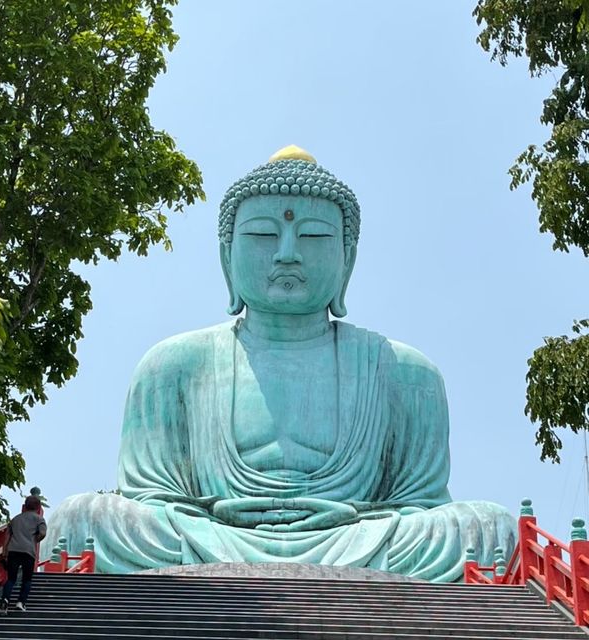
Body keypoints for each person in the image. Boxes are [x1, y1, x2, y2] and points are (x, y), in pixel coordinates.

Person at [43, 145, 516, 580]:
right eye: (264, 234)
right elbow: (154, 499)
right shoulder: (172, 365)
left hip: (362, 540)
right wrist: (204, 524)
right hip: (207, 537)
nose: (287, 254)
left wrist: (370, 524)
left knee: (488, 528)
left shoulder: (406, 373)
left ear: (346, 259)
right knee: (82, 519)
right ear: (227, 257)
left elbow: (418, 506)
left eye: (312, 235)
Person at [0, 495, 47, 614]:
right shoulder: (39, 519)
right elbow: (43, 533)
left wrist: (4, 553)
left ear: (25, 506)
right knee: (27, 579)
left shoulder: (15, 519)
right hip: (28, 551)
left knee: (11, 578)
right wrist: (35, 539)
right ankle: (21, 602)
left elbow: (7, 537)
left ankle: (5, 600)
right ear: (38, 507)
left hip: (13, 550)